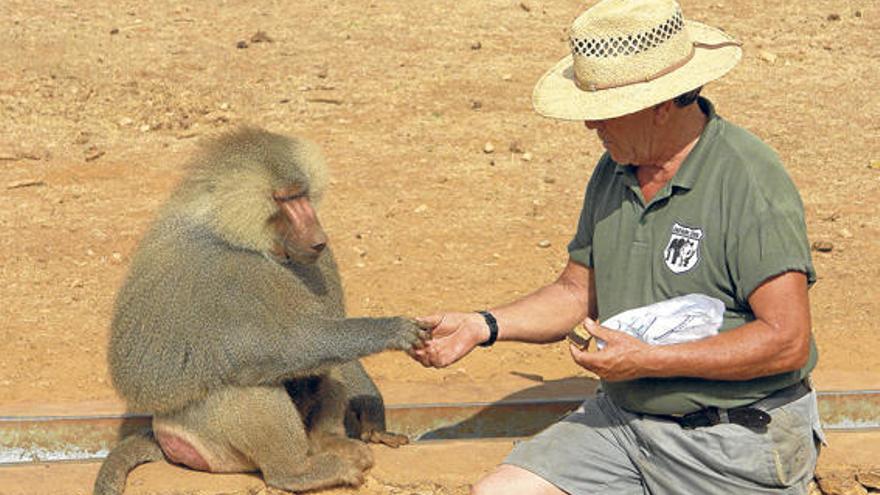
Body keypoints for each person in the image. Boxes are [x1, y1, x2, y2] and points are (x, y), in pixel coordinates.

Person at [410, 0, 824, 493]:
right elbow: (574, 292)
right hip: (623, 424)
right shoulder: (615, 169)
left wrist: (649, 361)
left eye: (603, 111)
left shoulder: (748, 180)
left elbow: (786, 340)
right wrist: (483, 325)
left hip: (733, 441)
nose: (590, 126)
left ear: (662, 104)